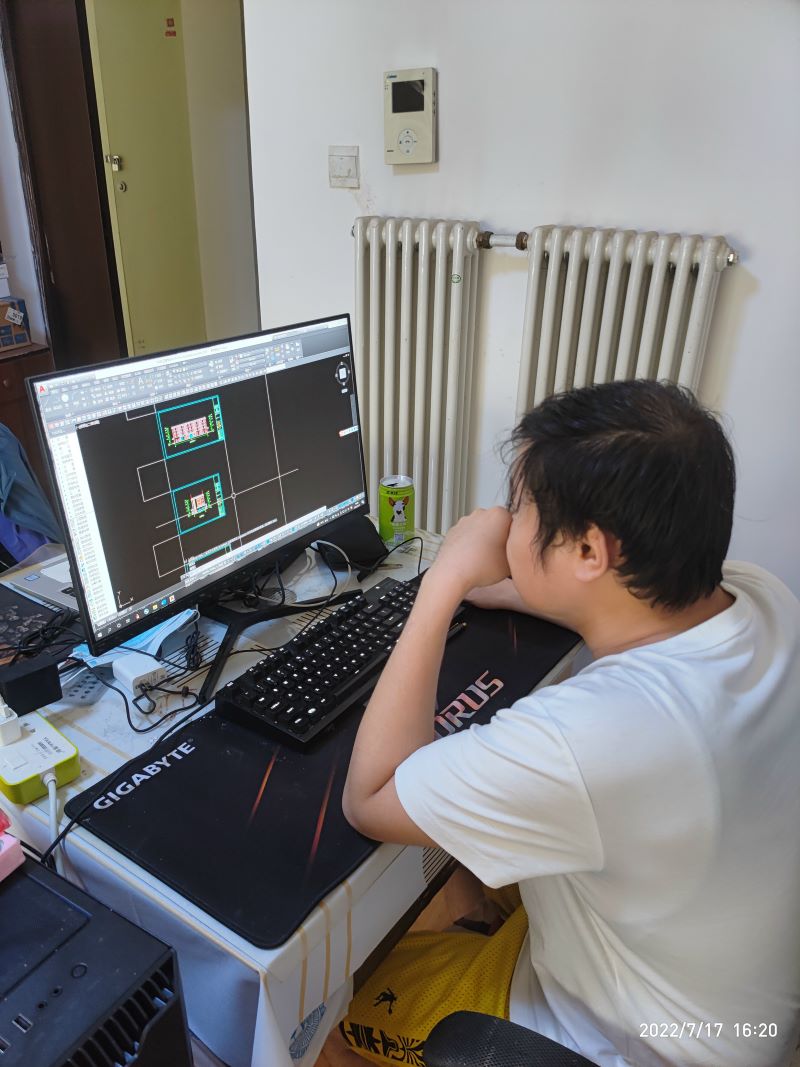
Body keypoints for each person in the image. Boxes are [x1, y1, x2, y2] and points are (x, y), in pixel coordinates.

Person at [337, 380, 800, 1067]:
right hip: (741, 1013)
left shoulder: (587, 737)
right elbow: (615, 605)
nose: (503, 519)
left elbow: (371, 796)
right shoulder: (764, 598)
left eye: (520, 506)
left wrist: (441, 585)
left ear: (588, 552)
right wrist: (502, 582)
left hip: (633, 1043)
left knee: (333, 1007)